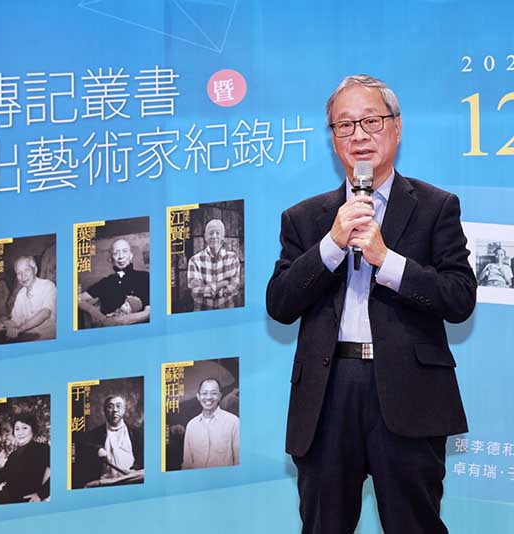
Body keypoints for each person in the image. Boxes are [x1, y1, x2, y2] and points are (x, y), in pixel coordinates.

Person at [266, 75, 476, 534]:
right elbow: (279, 304)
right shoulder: (305, 218)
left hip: (408, 392)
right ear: (333, 139)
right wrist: (331, 245)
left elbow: (459, 297)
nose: (358, 135)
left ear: (396, 127)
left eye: (371, 121)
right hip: (328, 393)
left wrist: (388, 260)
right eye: (344, 125)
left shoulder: (436, 207)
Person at [73, 394, 144, 488]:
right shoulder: (94, 434)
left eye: (118, 406)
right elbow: (81, 447)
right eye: (110, 406)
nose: (115, 410)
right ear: (105, 411)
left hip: (131, 479)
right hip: (106, 481)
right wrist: (97, 449)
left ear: (124, 410)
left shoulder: (136, 432)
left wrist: (134, 469)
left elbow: (143, 456)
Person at [77, 238, 150, 327]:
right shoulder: (105, 282)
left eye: (125, 251)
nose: (120, 256)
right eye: (116, 253)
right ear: (111, 259)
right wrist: (95, 313)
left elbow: (149, 312)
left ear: (130, 256)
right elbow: (77, 299)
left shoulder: (145, 277)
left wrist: (120, 321)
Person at [0, 413, 50, 505]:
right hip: (7, 496)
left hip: (24, 500)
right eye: (17, 429)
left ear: (33, 429)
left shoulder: (43, 449)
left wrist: (41, 495)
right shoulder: (14, 455)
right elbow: (0, 476)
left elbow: (59, 473)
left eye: (25, 428)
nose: (20, 432)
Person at [181, 378, 239, 470]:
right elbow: (187, 463)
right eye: (204, 393)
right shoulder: (191, 425)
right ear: (198, 396)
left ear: (220, 396)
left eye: (214, 393)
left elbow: (239, 461)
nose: (208, 397)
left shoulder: (234, 422)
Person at [187, 219, 241, 311]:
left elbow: (235, 287)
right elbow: (195, 292)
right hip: (202, 313)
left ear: (223, 236)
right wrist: (223, 284)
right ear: (205, 237)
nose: (214, 236)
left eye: (218, 233)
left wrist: (208, 289)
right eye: (211, 233)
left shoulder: (232, 258)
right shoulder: (194, 260)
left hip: (227, 312)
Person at [0, 256, 56, 341]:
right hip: (29, 337)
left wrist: (21, 328)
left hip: (49, 338)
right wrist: (3, 322)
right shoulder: (20, 294)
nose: (23, 276)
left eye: (26, 270)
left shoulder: (48, 285)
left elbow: (45, 312)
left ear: (35, 270)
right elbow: (16, 322)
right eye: (19, 273)